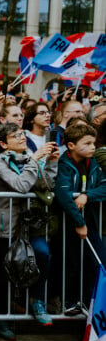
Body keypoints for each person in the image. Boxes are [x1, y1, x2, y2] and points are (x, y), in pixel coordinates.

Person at [0, 123, 58, 339]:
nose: (22, 137)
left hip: (32, 224)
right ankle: (2, 318)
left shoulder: (30, 155)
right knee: (5, 273)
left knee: (43, 254)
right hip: (8, 225)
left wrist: (50, 163)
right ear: (3, 143)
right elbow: (20, 185)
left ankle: (37, 301)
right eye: (15, 135)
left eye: (22, 133)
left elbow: (45, 184)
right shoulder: (1, 161)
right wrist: (35, 159)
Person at [54, 123, 106, 315]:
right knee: (71, 263)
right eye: (88, 143)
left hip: (90, 223)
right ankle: (69, 302)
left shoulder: (93, 164)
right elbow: (64, 196)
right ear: (71, 146)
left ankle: (88, 301)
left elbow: (104, 186)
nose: (93, 147)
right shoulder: (64, 164)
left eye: (94, 142)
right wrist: (79, 223)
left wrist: (87, 195)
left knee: (98, 261)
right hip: (69, 224)